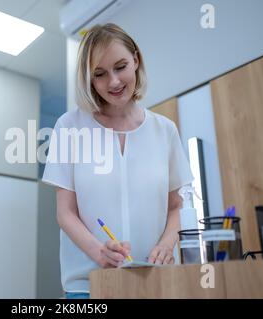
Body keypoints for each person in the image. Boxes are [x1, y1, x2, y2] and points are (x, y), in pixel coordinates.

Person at [42, 23, 194, 299]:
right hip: (89, 287)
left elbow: (176, 207)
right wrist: (98, 252)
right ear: (90, 79)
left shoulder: (165, 130)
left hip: (155, 283)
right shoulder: (69, 127)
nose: (113, 82)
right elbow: (65, 212)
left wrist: (166, 244)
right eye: (100, 74)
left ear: (136, 60)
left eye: (121, 66)